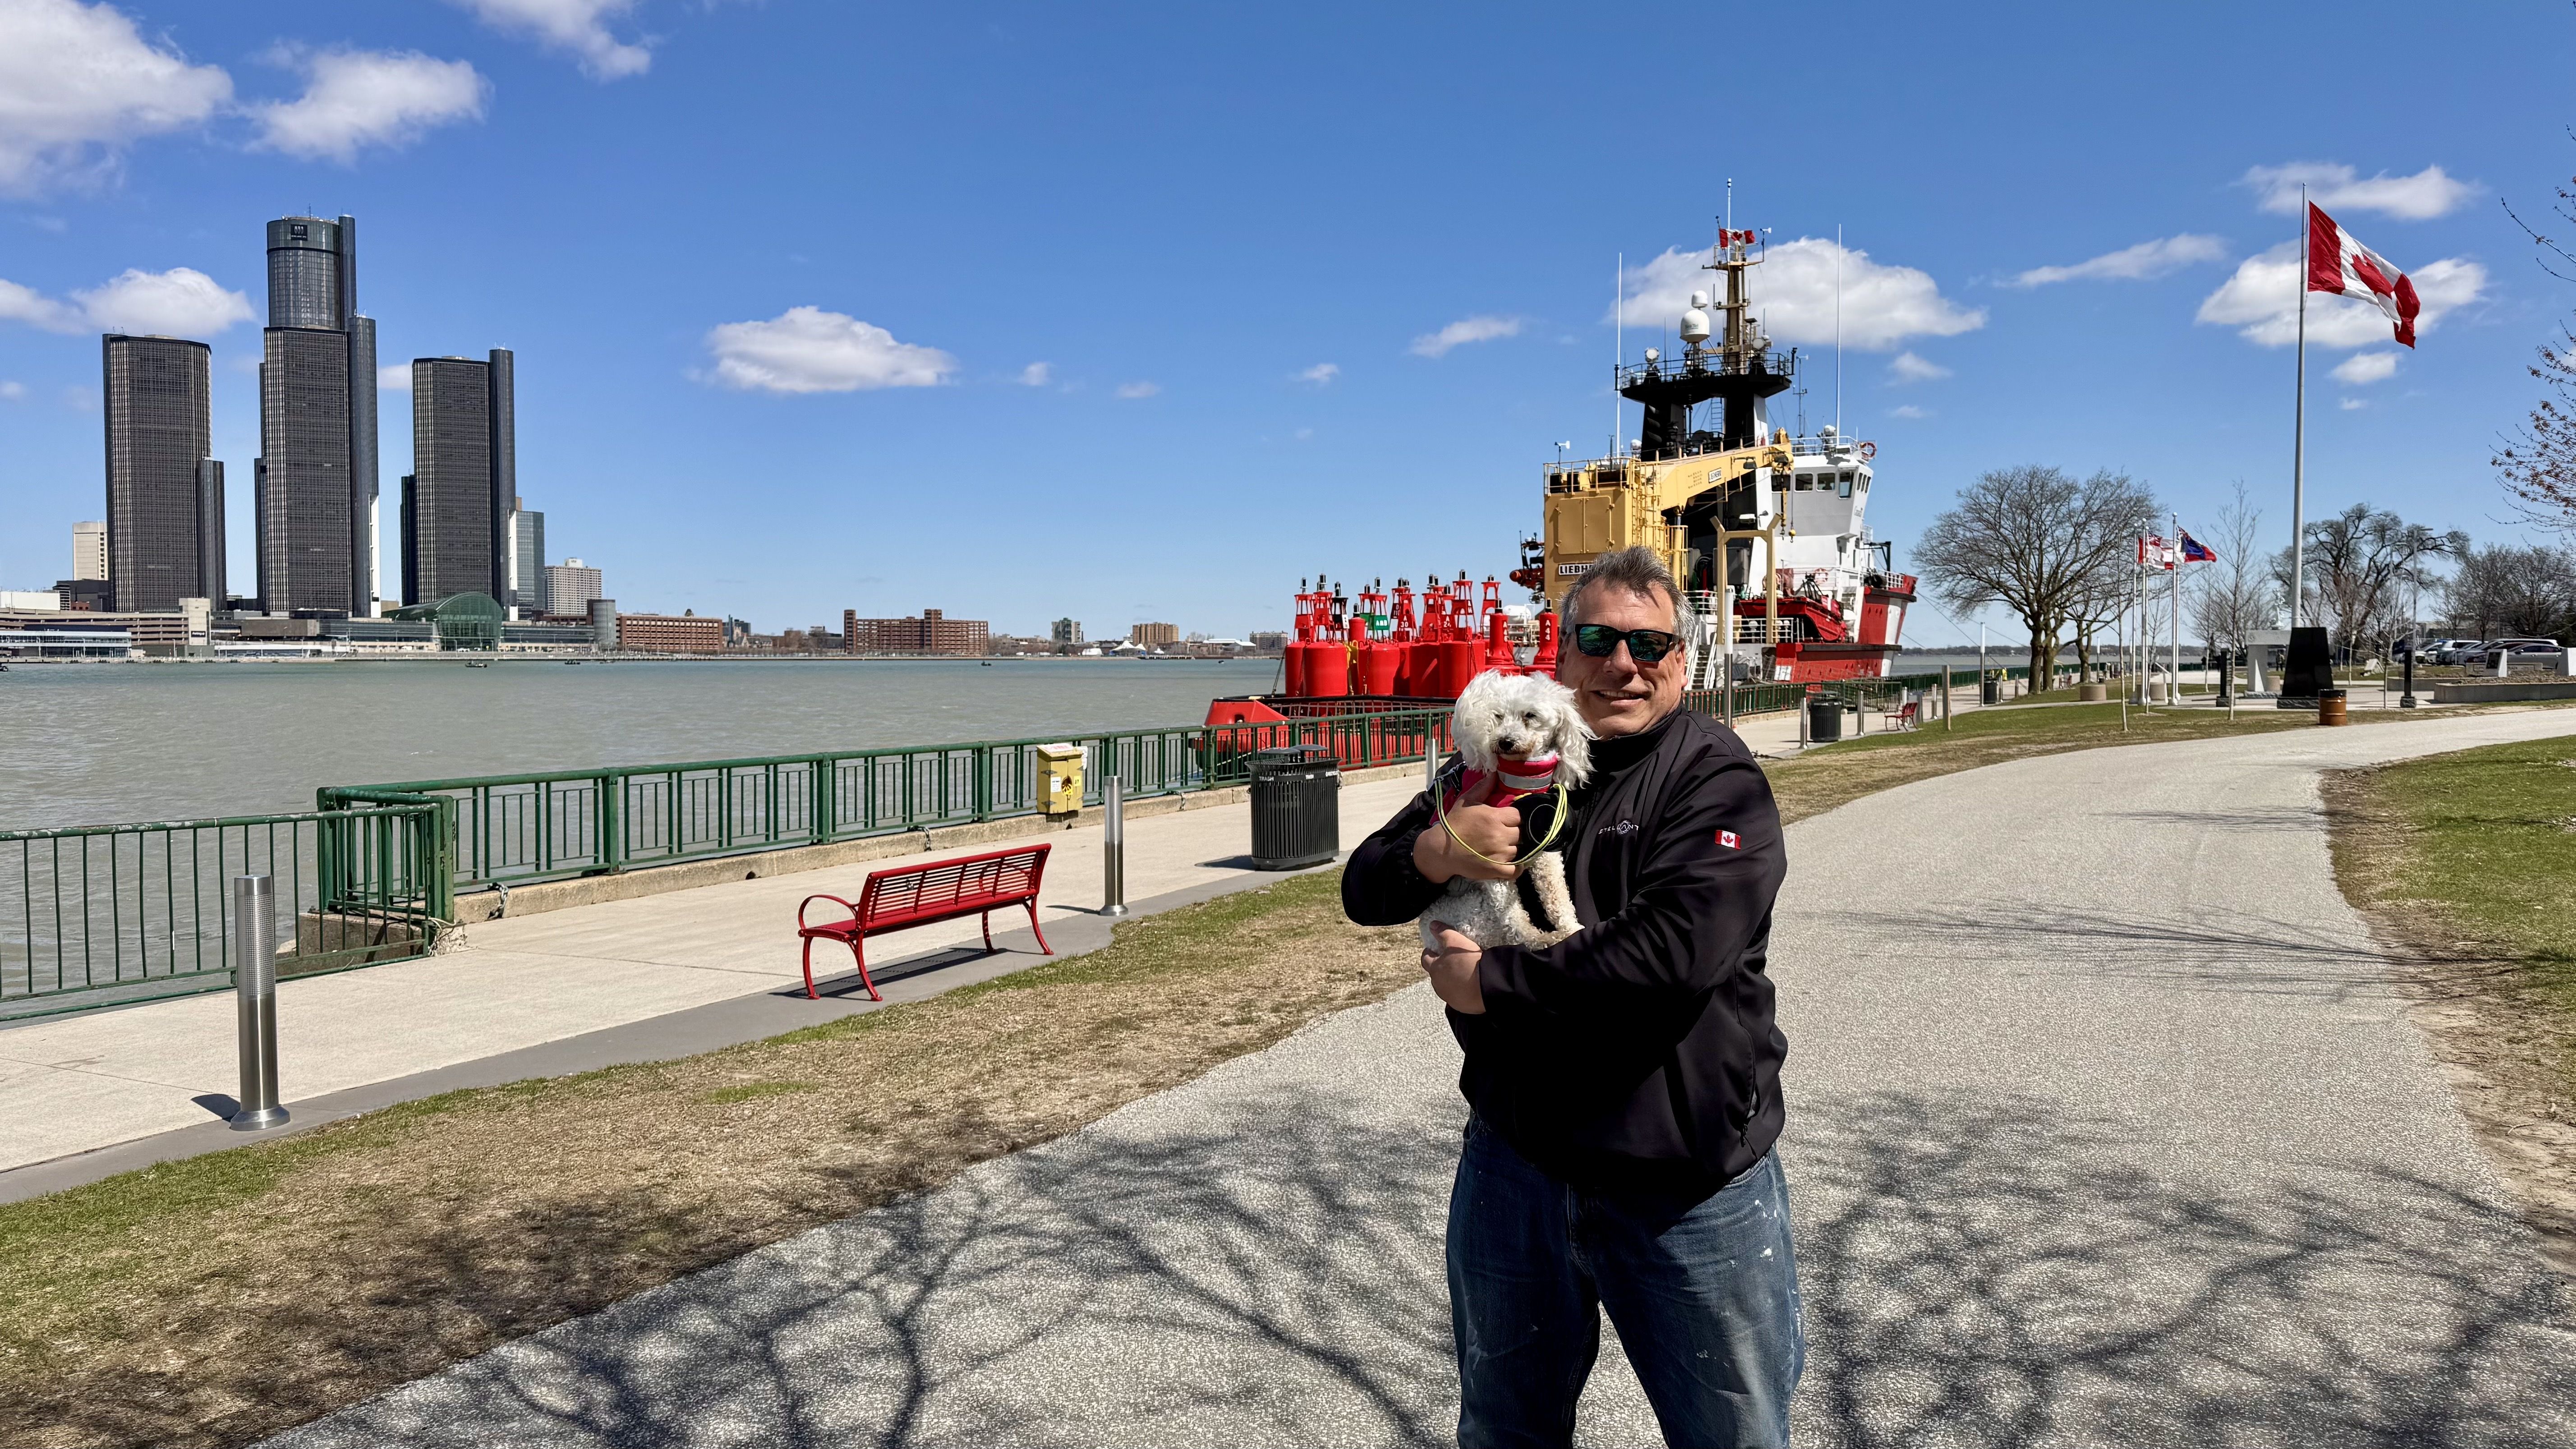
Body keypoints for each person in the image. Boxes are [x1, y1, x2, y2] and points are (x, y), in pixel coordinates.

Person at [1342, 546, 1801, 1449]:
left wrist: (1492, 984)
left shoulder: (1718, 778)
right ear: (1560, 652)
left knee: (1732, 1435)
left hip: (1683, 1180)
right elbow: (1364, 887)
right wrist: (1436, 852)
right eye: (1597, 637)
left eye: (1650, 642)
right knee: (1506, 1429)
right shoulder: (1493, 772)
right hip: (1518, 1164)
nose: (1622, 662)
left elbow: (1670, 957)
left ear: (1684, 659)